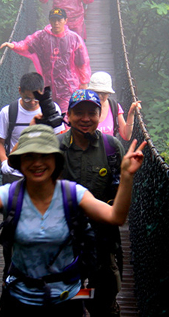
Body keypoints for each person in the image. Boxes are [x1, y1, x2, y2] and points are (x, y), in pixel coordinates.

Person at [0, 125, 146, 317]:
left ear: (56, 160)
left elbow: (116, 216)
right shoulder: (8, 195)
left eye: (44, 155)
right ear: (19, 161)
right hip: (19, 300)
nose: (37, 163)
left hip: (68, 299)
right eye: (29, 156)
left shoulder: (74, 194)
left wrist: (126, 176)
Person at [57, 89, 126, 317]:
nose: (85, 118)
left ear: (100, 115)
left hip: (102, 237)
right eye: (79, 113)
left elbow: (121, 193)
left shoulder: (112, 147)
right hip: (64, 238)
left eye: (91, 113)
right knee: (64, 299)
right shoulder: (55, 147)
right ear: (68, 115)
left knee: (103, 299)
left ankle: (92, 304)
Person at [0, 8, 91, 113]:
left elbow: (82, 62)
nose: (56, 23)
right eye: (53, 20)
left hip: (68, 87)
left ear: (65, 21)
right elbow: (27, 44)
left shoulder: (74, 38)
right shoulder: (42, 36)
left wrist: (84, 82)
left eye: (59, 20)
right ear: (49, 21)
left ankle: (64, 129)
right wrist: (13, 45)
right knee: (49, 115)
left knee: (66, 115)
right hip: (47, 86)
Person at [0, 72, 65, 184]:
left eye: (36, 99)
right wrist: (4, 161)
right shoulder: (8, 112)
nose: (32, 102)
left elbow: (59, 137)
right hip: (16, 174)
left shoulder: (51, 109)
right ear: (20, 91)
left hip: (43, 171)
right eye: (27, 99)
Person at [88, 71, 142, 140]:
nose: (99, 96)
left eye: (104, 93)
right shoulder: (83, 107)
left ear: (108, 93)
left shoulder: (114, 107)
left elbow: (126, 136)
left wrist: (131, 113)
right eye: (96, 92)